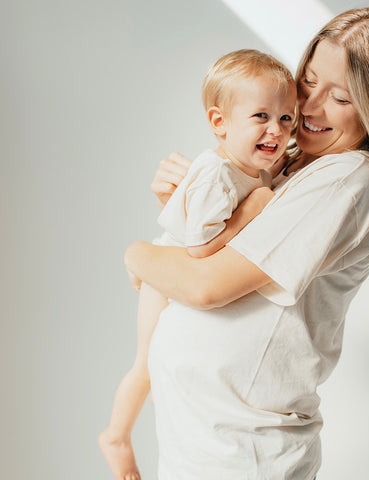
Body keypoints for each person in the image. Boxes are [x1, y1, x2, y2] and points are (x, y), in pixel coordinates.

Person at [124, 7, 369, 480]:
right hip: (204, 440)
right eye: (308, 81)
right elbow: (192, 273)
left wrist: (138, 255)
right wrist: (187, 209)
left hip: (242, 453)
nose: (309, 107)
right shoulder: (289, 168)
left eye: (341, 98)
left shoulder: (346, 179)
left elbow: (205, 285)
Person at [99, 49, 297, 480]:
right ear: (219, 123)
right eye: (261, 116)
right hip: (167, 271)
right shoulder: (216, 172)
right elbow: (201, 249)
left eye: (286, 118)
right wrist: (256, 207)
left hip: (178, 268)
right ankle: (116, 435)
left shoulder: (256, 163)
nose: (276, 130)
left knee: (164, 365)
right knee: (145, 363)